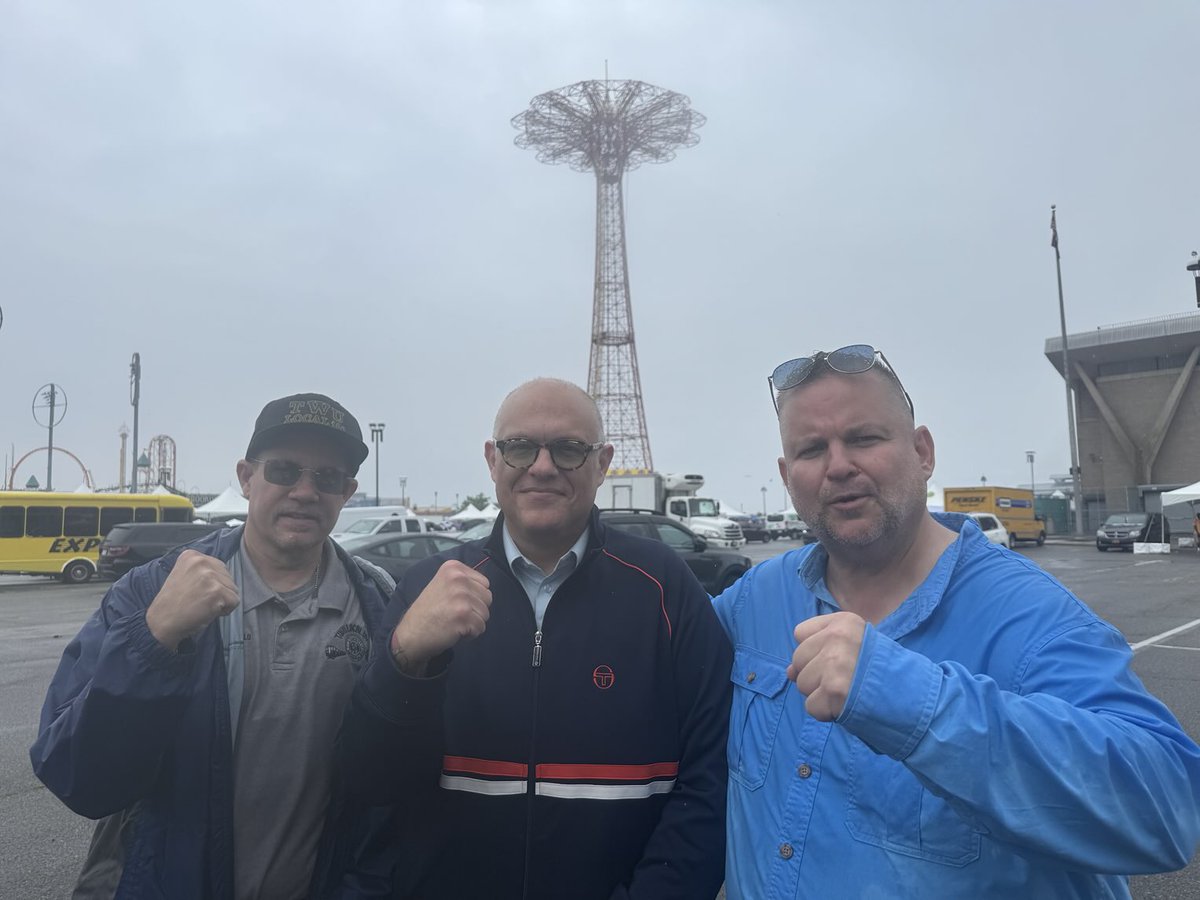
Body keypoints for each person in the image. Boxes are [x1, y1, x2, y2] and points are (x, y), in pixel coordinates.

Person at [712, 344, 1200, 899]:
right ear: (787, 474)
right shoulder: (757, 597)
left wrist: (910, 699)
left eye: (865, 438)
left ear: (923, 452)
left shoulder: (1029, 616)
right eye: (811, 449)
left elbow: (1165, 812)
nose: (839, 465)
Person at [341, 377, 732, 900]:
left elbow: (710, 778)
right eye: (520, 446)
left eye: (569, 449)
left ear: (602, 462)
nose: (542, 467)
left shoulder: (664, 587)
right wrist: (403, 660)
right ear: (492, 460)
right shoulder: (426, 587)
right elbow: (369, 785)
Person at [31, 393, 399, 899]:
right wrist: (155, 640)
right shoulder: (152, 590)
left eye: (328, 478)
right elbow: (78, 777)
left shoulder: (377, 603)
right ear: (247, 478)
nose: (305, 491)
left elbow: (387, 796)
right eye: (285, 470)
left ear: (348, 492)